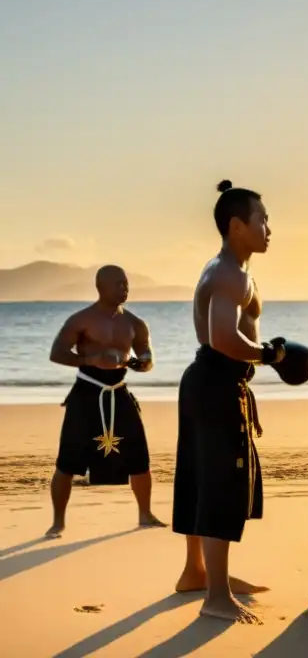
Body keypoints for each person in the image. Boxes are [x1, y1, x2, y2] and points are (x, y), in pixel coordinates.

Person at [171, 180, 288, 624]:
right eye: (261, 220)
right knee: (218, 485)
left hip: (207, 382)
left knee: (201, 477)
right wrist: (269, 355)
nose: (268, 228)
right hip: (216, 382)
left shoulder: (230, 268)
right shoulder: (229, 274)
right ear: (236, 225)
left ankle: (196, 572)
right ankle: (215, 596)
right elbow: (224, 338)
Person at [45, 265, 164, 538]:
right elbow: (57, 353)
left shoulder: (135, 323)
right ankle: (58, 521)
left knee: (139, 453)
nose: (125, 288)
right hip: (87, 392)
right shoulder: (81, 320)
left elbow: (147, 355)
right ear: (101, 287)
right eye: (119, 284)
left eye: (126, 283)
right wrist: (89, 359)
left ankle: (145, 513)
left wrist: (138, 363)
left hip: (119, 391)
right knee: (67, 459)